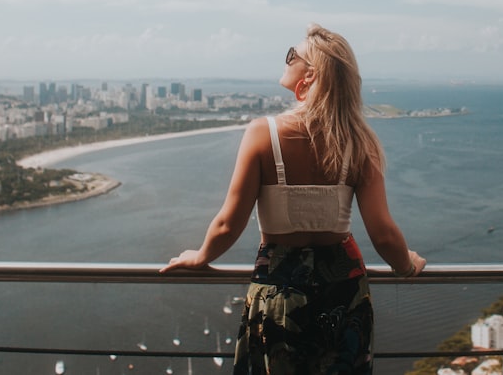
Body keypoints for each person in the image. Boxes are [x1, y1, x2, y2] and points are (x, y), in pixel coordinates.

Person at [162, 23, 426, 374]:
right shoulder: (360, 142)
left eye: (292, 55)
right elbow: (384, 233)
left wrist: (201, 257)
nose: (286, 60)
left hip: (280, 291)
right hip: (344, 292)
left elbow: (228, 223)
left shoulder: (263, 134)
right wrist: (405, 266)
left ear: (310, 75)